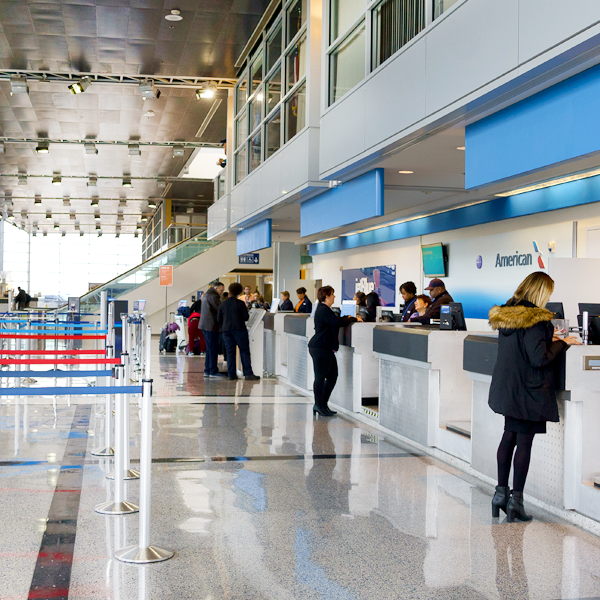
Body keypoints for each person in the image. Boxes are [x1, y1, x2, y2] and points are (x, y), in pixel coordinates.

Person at [488, 272, 580, 522]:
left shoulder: (508, 314)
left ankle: (500, 494)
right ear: (540, 292)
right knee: (524, 442)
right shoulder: (536, 320)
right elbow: (539, 358)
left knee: (509, 436)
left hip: (509, 388)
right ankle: (516, 501)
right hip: (528, 391)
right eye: (547, 293)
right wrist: (563, 342)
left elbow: (523, 347)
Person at [308, 286, 358, 417]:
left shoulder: (325, 309)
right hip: (320, 347)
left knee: (332, 376)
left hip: (324, 348)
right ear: (327, 296)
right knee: (320, 377)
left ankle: (323, 404)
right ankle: (318, 404)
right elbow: (337, 322)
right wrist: (353, 319)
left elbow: (335, 321)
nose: (334, 297)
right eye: (333, 294)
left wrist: (347, 318)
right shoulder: (323, 309)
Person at [217, 282, 261, 381]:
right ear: (239, 292)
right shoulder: (241, 304)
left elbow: (219, 319)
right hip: (240, 330)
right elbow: (246, 317)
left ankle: (231, 374)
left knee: (230, 352)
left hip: (226, 331)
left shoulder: (223, 304)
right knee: (244, 351)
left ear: (229, 292)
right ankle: (248, 374)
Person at [199, 281, 226, 378]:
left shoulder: (208, 294)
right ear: (216, 288)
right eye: (221, 290)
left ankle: (208, 369)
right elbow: (219, 310)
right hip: (211, 326)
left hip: (206, 325)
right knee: (212, 348)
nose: (222, 292)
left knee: (209, 348)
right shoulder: (213, 296)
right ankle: (213, 371)